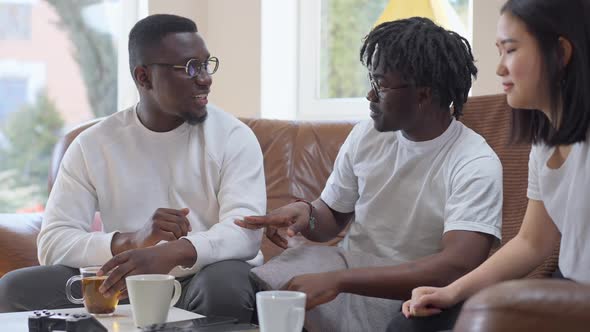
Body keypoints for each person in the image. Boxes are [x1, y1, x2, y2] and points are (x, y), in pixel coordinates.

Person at [236, 17, 503, 332]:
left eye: (380, 84)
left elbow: (455, 266)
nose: (369, 96)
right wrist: (305, 214)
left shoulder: (474, 162)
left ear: (423, 94)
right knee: (264, 289)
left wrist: (340, 281)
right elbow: (331, 217)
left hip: (416, 287)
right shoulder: (367, 134)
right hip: (351, 266)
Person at [0, 14, 266, 323]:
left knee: (225, 288)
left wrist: (173, 252)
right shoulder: (92, 145)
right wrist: (129, 242)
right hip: (123, 280)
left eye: (206, 65)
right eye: (190, 67)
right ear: (144, 77)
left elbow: (245, 233)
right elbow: (53, 243)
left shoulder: (234, 137)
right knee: (15, 289)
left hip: (204, 275)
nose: (205, 78)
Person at [403, 0, 590, 323]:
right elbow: (532, 242)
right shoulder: (544, 145)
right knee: (414, 323)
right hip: (570, 289)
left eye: (511, 50)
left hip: (579, 298)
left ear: (560, 53)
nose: (500, 68)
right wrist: (451, 291)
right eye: (499, 51)